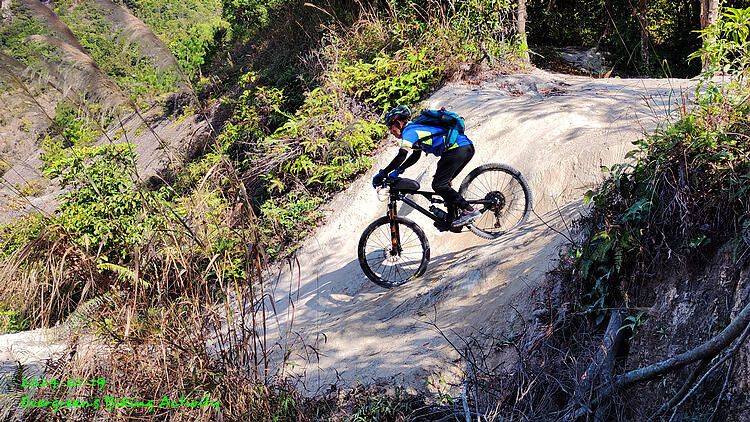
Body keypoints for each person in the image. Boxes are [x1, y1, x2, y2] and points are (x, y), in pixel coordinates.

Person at [372, 105, 481, 228]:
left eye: (390, 127)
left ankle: (470, 210)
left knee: (439, 185)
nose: (390, 131)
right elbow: (415, 156)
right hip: (464, 148)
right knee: (443, 184)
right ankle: (452, 219)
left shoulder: (409, 131)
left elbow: (401, 155)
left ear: (398, 123)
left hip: (457, 150)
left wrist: (383, 173)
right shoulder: (416, 128)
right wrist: (399, 169)